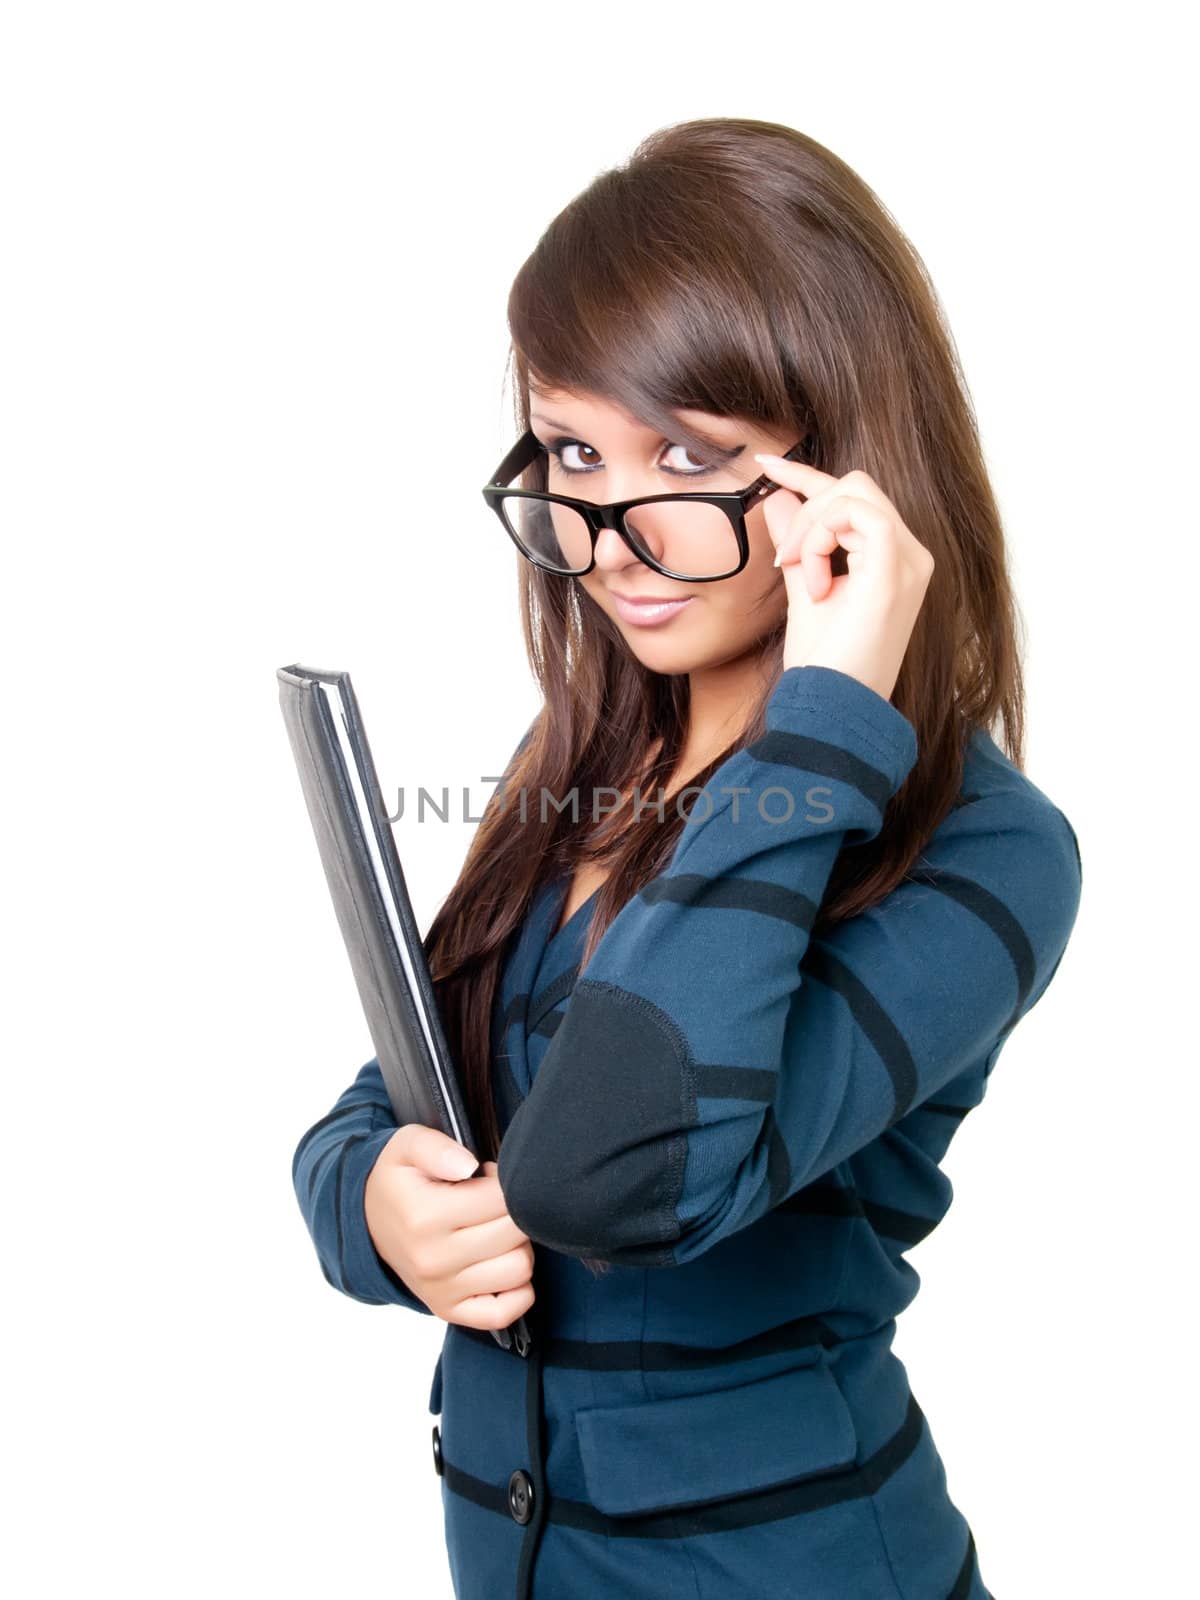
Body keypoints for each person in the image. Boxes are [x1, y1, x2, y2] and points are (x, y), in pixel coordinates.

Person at [291, 116, 1081, 1600]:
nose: (610, 532)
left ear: (846, 479)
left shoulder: (984, 846)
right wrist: (373, 1204)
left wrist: (825, 722)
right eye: (577, 451)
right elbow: (408, 1084)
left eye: (688, 459)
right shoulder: (576, 765)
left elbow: (622, 1177)